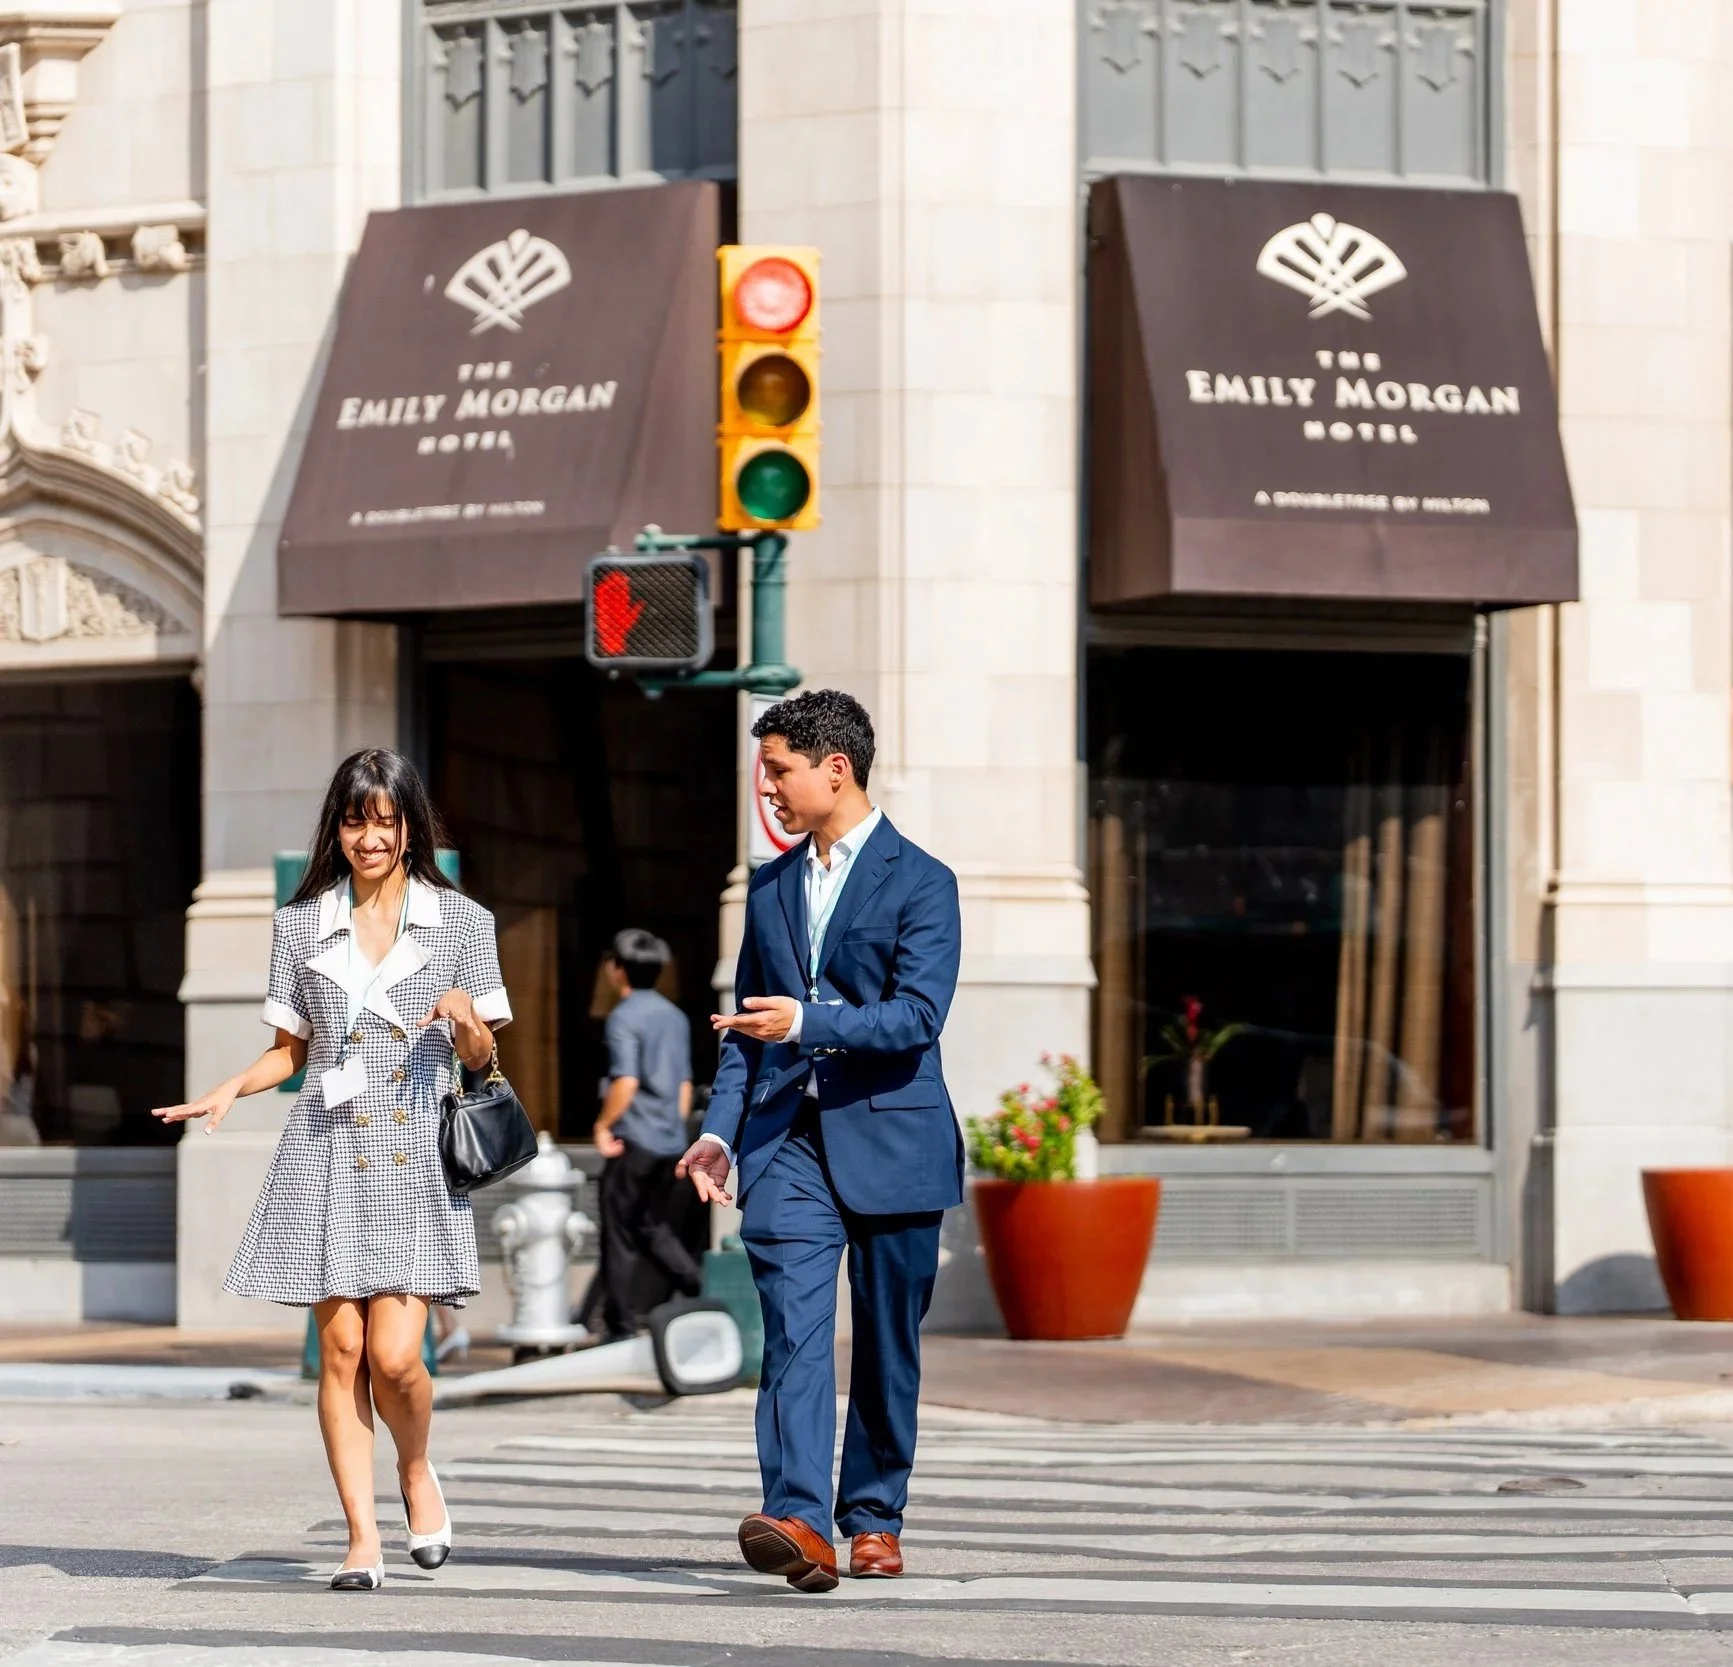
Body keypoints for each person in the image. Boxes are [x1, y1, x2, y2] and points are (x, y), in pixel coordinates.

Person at [152, 748, 511, 1593]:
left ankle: (416, 1467)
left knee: (396, 1357)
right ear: (338, 828)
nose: (369, 837)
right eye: (355, 820)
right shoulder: (299, 923)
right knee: (341, 1345)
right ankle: (360, 1537)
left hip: (413, 1149)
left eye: (385, 820)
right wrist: (230, 1087)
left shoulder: (461, 922)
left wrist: (464, 1019)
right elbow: (291, 1053)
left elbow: (485, 1055)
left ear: (409, 826)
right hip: (323, 1147)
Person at [677, 688, 963, 1593]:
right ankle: (800, 1515)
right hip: (786, 1145)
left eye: (778, 771)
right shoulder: (766, 891)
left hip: (894, 1142)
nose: (766, 790)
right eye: (764, 772)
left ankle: (873, 1515)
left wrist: (809, 1019)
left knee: (885, 1341)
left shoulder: (924, 881)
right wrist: (719, 1132)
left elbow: (916, 1016)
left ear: (834, 768)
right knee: (797, 1332)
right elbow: (743, 1030)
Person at [586, 928, 702, 1339]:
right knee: (652, 1225)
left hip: (633, 1140)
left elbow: (626, 1082)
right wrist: (674, 1129)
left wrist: (602, 1126)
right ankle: (695, 1286)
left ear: (617, 970)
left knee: (619, 1234)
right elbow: (685, 1084)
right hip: (668, 1141)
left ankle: (618, 1326)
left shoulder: (624, 1016)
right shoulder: (674, 1015)